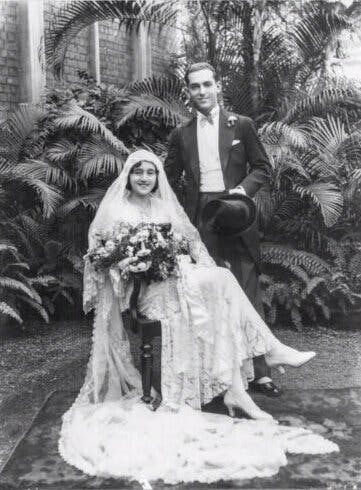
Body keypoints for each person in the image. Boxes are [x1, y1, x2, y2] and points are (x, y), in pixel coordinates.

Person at [58, 150, 338, 484]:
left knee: (219, 282)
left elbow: (192, 240)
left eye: (151, 173)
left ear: (158, 177)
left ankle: (237, 387)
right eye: (138, 173)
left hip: (179, 277)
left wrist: (202, 263)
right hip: (144, 290)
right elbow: (97, 259)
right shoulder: (116, 210)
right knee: (221, 283)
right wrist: (127, 265)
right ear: (129, 177)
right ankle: (265, 355)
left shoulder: (165, 206)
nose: (145, 178)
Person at [164, 62, 279, 397]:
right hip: (201, 220)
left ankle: (261, 373)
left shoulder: (240, 125)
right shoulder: (181, 134)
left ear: (217, 86)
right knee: (207, 294)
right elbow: (168, 176)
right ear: (187, 92)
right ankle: (218, 374)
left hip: (237, 215)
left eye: (206, 85)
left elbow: (262, 167)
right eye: (194, 86)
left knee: (246, 290)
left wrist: (242, 192)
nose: (201, 91)